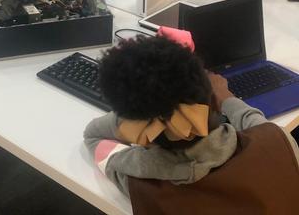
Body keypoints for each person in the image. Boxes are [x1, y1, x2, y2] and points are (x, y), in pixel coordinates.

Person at [83, 35, 299, 198]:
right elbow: (258, 125)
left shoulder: (136, 182)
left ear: (136, 126)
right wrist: (228, 98)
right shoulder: (278, 146)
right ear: (212, 100)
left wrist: (139, 109)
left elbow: (93, 135)